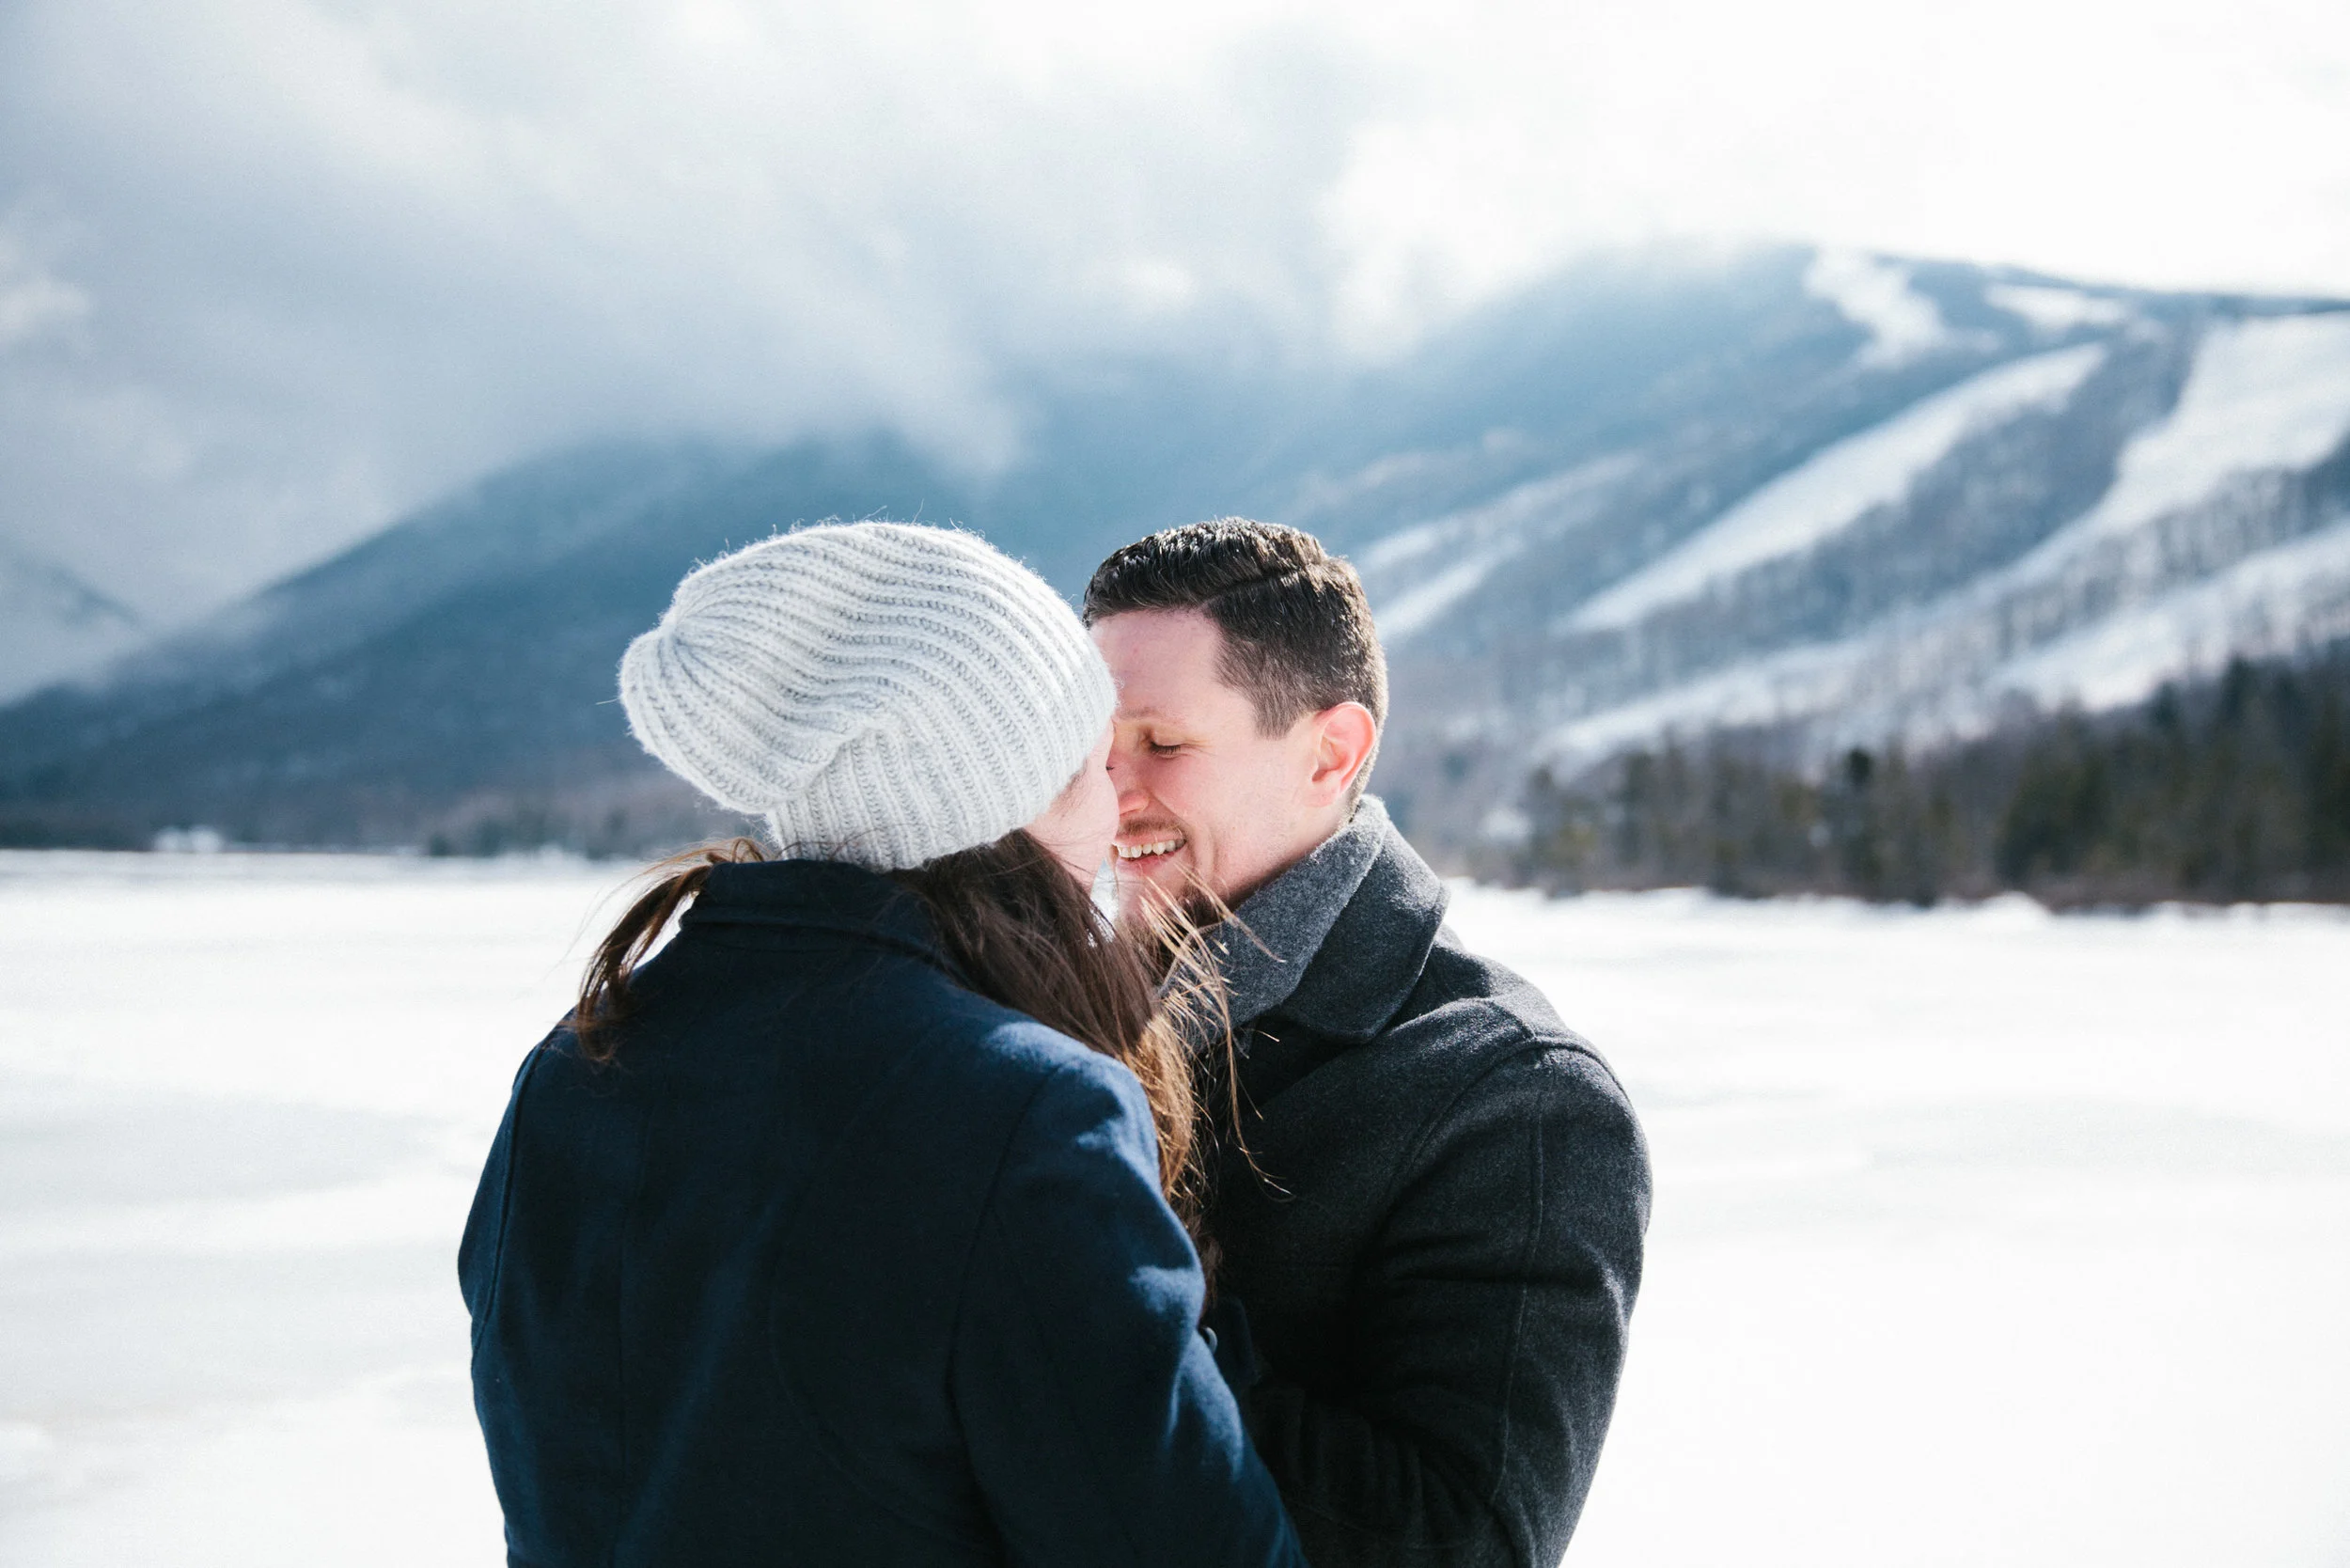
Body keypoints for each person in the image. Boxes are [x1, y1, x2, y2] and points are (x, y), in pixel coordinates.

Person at [459, 522, 1307, 1568]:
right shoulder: (1024, 1114)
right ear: (1013, 800)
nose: (1113, 815)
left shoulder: (575, 1071)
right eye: (1091, 768)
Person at [1086, 518, 1653, 1568]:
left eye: (1160, 745)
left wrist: (1103, 1309)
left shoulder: (1513, 1098)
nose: (1107, 796)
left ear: (1331, 753)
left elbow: (1460, 1543)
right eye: (1091, 750)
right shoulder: (1052, 1019)